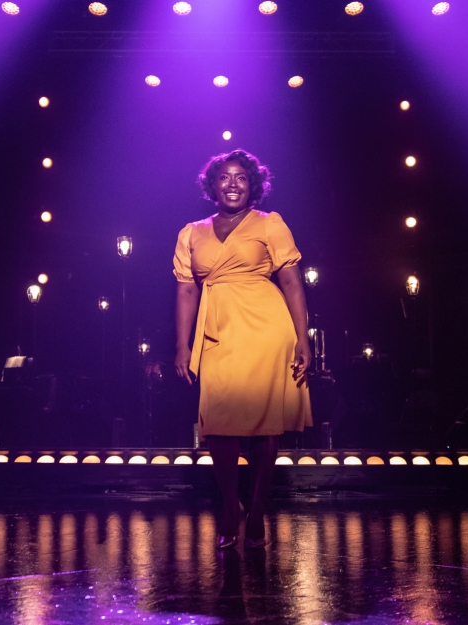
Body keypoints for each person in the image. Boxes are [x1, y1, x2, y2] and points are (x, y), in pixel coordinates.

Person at [173, 149, 312, 549]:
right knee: (218, 425)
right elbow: (186, 290)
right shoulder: (191, 232)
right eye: (225, 177)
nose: (233, 184)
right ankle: (230, 507)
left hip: (266, 330)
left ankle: (256, 510)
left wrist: (303, 338)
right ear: (212, 185)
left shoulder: (270, 224)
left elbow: (292, 282)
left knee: (265, 423)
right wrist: (182, 344)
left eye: (241, 177)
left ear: (253, 185)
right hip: (216, 332)